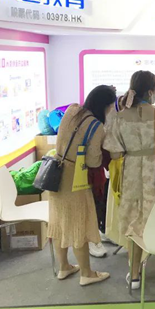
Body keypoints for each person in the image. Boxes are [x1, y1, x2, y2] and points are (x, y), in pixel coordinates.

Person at [103, 70, 155, 289]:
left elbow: (114, 154)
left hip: (131, 175)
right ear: (150, 92)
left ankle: (135, 276)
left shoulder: (119, 118)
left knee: (134, 223)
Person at [47, 85, 117, 286]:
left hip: (55, 171)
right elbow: (94, 161)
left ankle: (63, 267)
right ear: (105, 106)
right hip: (74, 177)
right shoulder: (96, 126)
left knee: (59, 222)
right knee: (79, 223)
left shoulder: (72, 110)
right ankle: (86, 273)